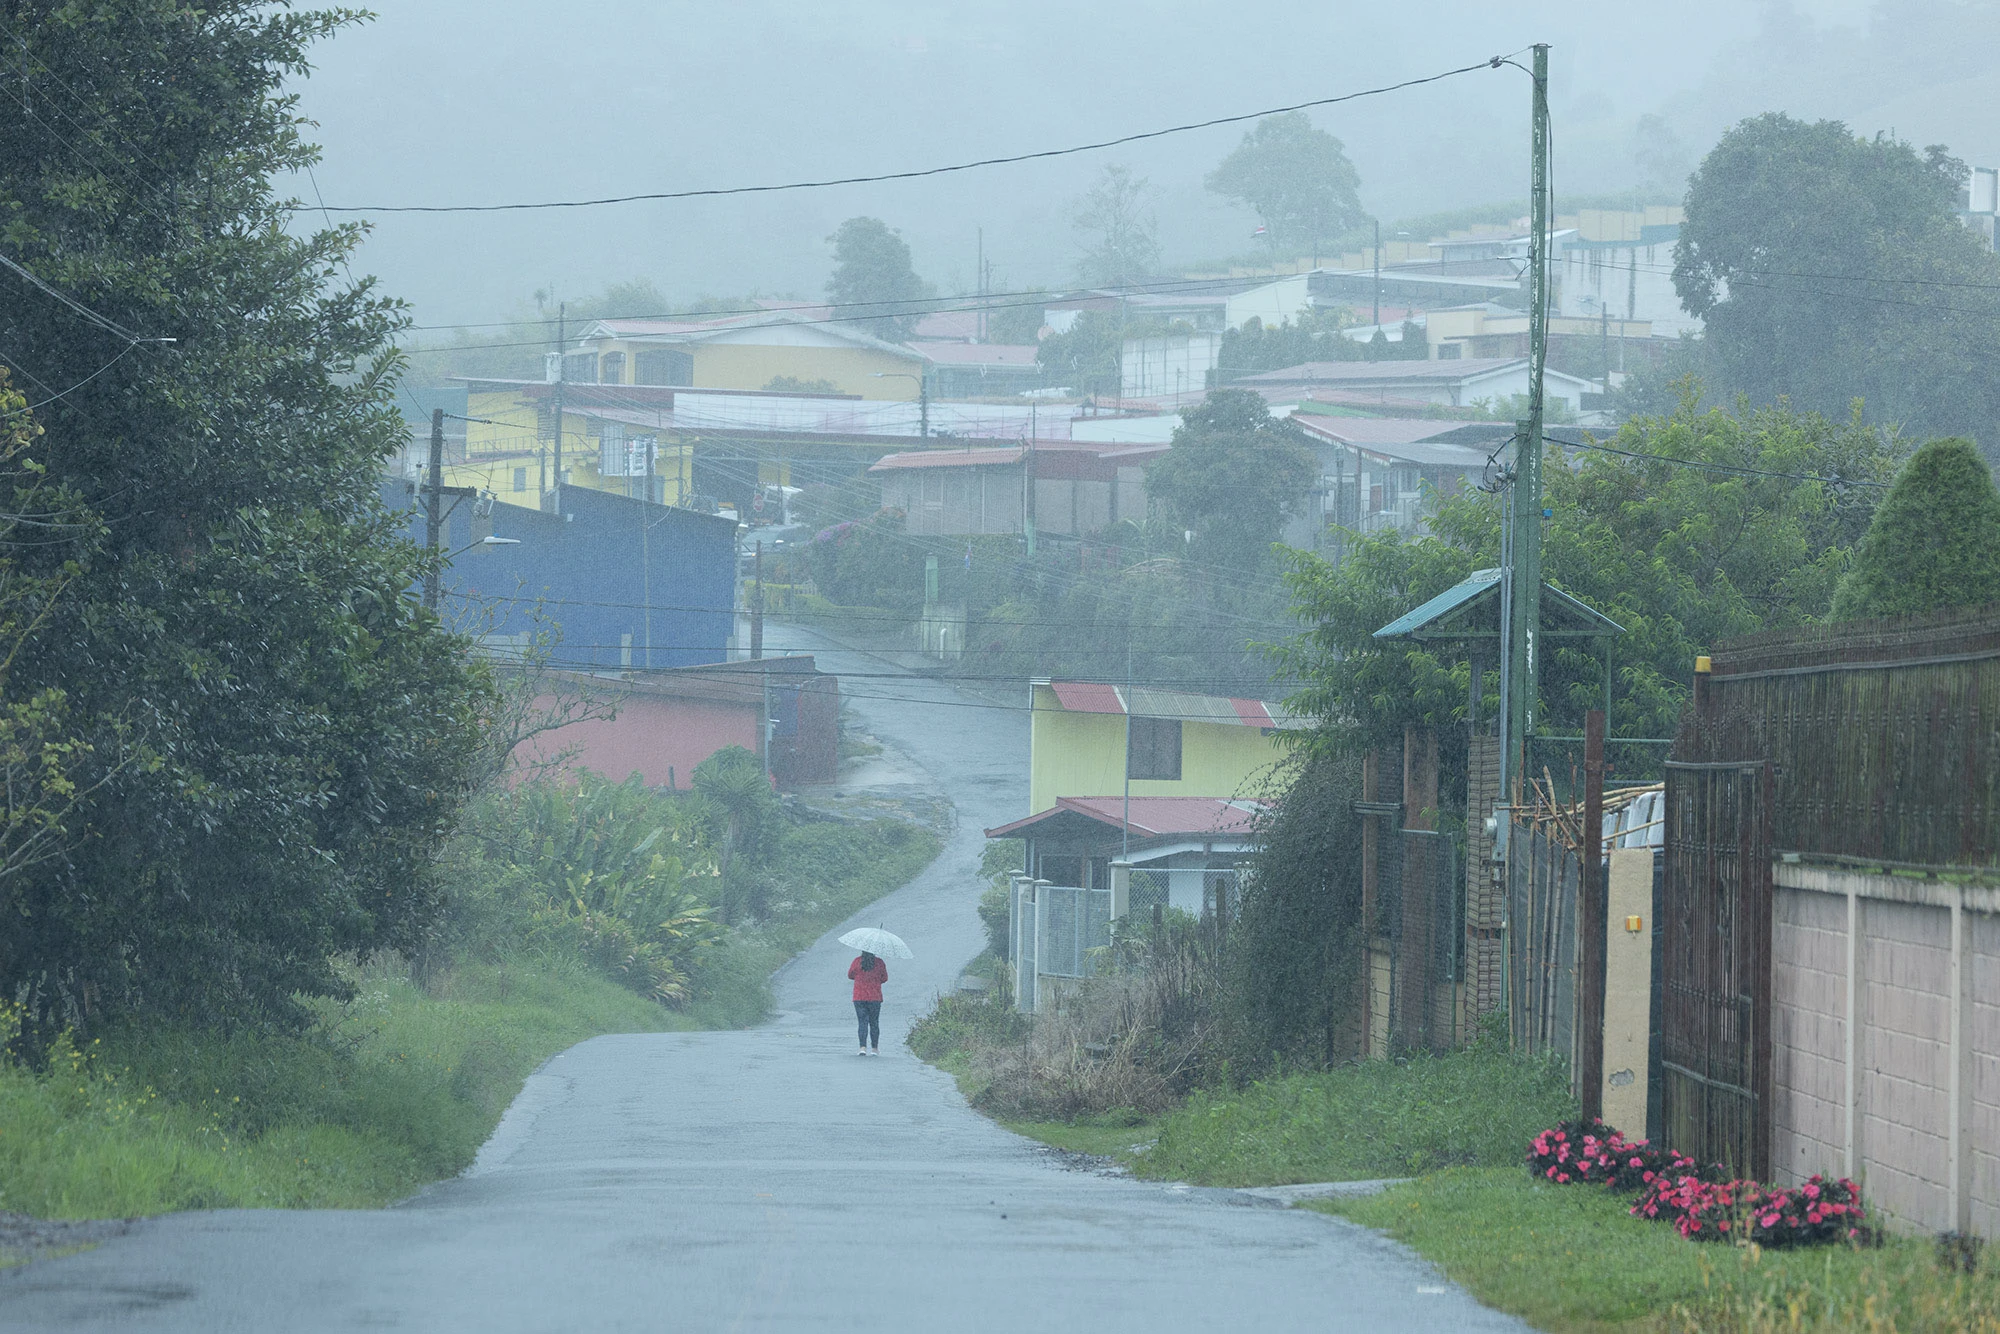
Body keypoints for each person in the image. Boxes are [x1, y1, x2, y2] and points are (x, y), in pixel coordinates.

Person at [849, 950, 888, 1055]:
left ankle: (862, 1047)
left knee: (862, 1022)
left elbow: (850, 975)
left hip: (859, 997)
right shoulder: (879, 963)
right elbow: (884, 978)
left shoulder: (857, 961)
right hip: (875, 997)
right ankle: (874, 1049)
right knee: (874, 1023)